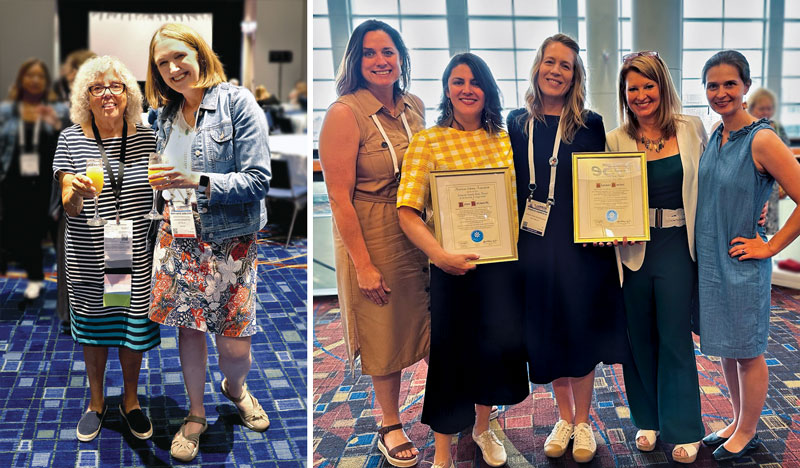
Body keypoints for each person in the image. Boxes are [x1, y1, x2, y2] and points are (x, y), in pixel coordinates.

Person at [145, 23, 272, 462]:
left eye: (179, 56)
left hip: (231, 242)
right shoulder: (164, 115)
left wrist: (196, 179)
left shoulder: (237, 103)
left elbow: (259, 180)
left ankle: (235, 389)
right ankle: (196, 413)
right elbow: (160, 177)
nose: (173, 68)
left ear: (199, 54)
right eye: (162, 63)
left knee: (235, 345)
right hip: (179, 239)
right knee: (190, 331)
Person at [397, 52, 528, 468]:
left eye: (475, 81)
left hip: (503, 267)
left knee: (493, 351)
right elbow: (407, 210)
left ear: (488, 89)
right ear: (447, 90)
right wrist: (438, 254)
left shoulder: (507, 139)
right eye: (458, 81)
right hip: (452, 267)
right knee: (450, 358)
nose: (467, 89)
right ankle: (441, 452)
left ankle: (483, 428)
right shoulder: (428, 140)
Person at [506, 33, 631, 463]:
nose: (556, 71)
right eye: (550, 62)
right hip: (534, 245)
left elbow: (604, 184)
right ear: (538, 66)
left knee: (581, 331)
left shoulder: (589, 123)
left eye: (566, 65)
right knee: (547, 332)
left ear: (575, 75)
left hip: (582, 247)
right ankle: (564, 417)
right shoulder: (515, 122)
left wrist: (615, 221)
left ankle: (584, 421)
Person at [318, 19, 429, 468]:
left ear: (401, 57)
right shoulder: (344, 113)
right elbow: (338, 199)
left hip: (419, 224)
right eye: (369, 53)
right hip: (371, 229)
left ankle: (445, 403)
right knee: (384, 324)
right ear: (355, 61)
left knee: (424, 316)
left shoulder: (414, 106)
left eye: (388, 52)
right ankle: (389, 422)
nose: (381, 61)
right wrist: (362, 264)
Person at [697, 50, 800, 461]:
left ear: (745, 87)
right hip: (711, 260)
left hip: (742, 263)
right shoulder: (716, 133)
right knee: (727, 347)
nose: (721, 93)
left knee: (749, 351)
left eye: (729, 84)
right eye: (712, 85)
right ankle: (738, 422)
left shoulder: (761, 138)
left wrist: (770, 245)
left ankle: (750, 431)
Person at [605, 51, 706, 463]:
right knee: (638, 339)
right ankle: (647, 420)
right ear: (624, 94)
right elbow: (604, 195)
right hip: (633, 251)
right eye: (633, 88)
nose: (642, 95)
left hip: (678, 247)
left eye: (649, 85)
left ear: (663, 87)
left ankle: (684, 426)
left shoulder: (692, 128)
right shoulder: (616, 139)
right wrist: (601, 232)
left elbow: (715, 179)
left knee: (675, 338)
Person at [52, 55, 159, 442]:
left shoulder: (147, 135)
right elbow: (67, 200)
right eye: (97, 88)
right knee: (95, 330)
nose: (107, 94)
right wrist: (74, 194)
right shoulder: (71, 138)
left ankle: (130, 401)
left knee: (130, 328)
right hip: (87, 253)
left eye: (115, 86)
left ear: (129, 92)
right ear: (86, 96)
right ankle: (97, 402)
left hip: (132, 252)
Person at [0, 58, 68, 299]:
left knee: (56, 231)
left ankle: (66, 285)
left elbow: (68, 140)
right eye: (30, 75)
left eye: (40, 76)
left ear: (46, 81)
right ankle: (35, 276)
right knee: (25, 232)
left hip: (47, 183)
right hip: (16, 181)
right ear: (21, 79)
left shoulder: (58, 109)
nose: (35, 80)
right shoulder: (7, 111)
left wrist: (55, 123)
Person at [747, 87, 789, 235]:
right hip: (752, 183)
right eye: (762, 108)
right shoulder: (745, 127)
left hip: (773, 184)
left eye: (769, 108)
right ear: (751, 108)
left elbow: (786, 157)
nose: (766, 112)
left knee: (768, 227)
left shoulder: (776, 127)